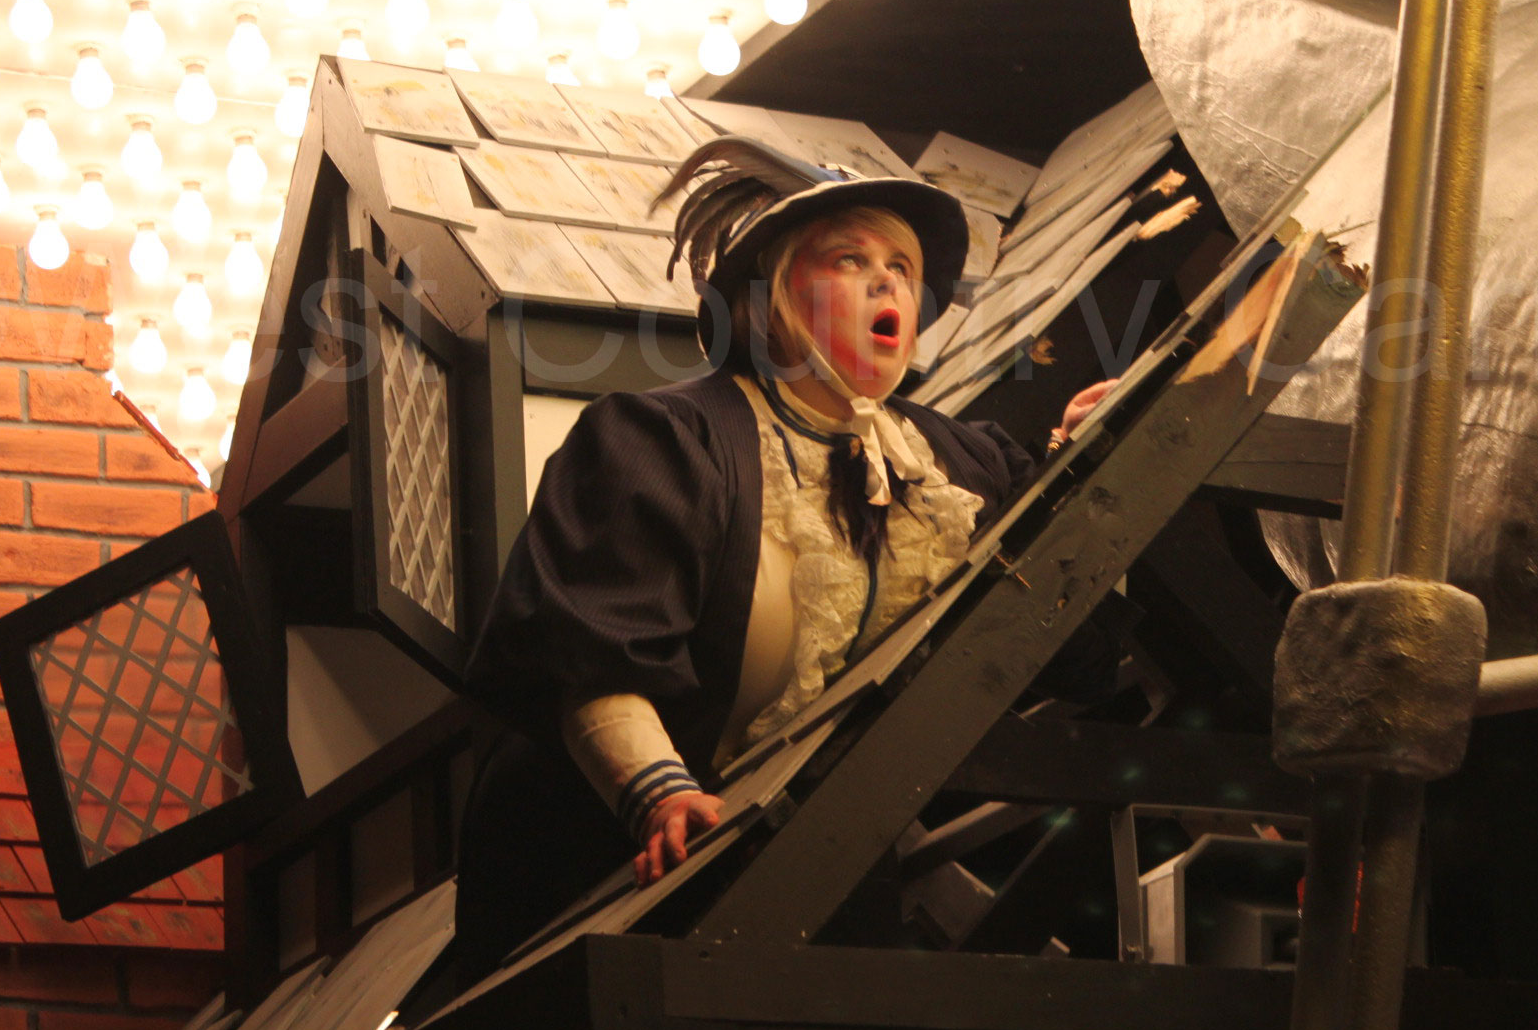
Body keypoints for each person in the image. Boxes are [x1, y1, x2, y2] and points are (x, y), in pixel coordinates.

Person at [445, 138, 1113, 976]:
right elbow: (585, 653)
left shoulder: (957, 464)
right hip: (605, 874)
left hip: (818, 871)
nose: (888, 285)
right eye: (850, 260)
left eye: (903, 268)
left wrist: (1085, 458)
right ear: (770, 297)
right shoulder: (665, 440)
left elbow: (1066, 636)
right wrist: (659, 795)